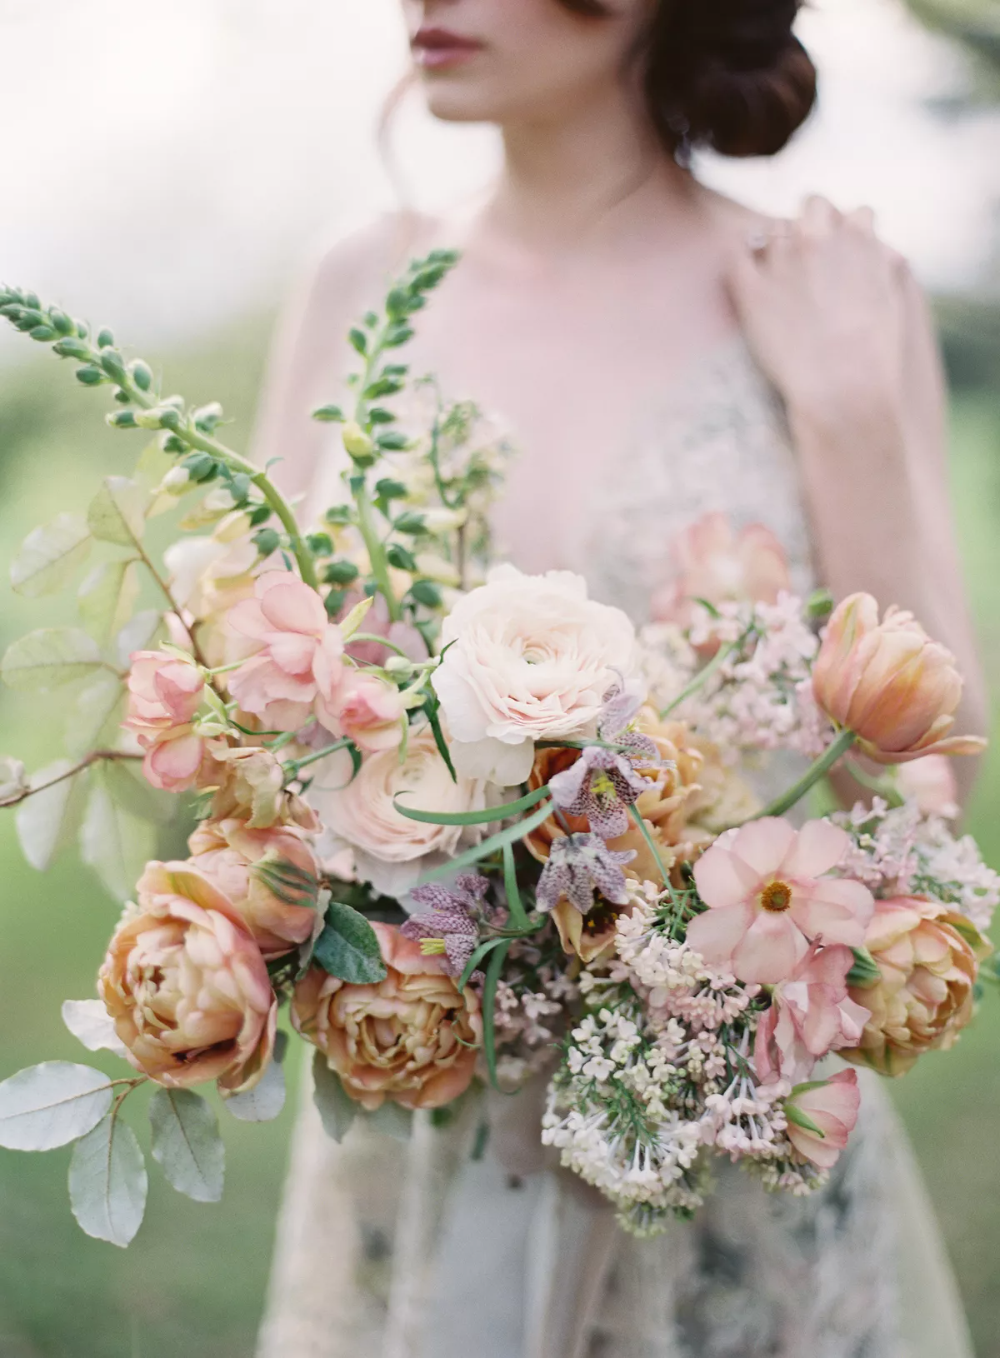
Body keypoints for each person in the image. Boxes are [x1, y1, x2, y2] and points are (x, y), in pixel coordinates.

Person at [252, 2, 988, 1354]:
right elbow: (256, 703)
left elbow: (927, 771)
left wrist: (848, 418)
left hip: (731, 1124)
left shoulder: (823, 286)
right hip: (422, 1110)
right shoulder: (361, 284)